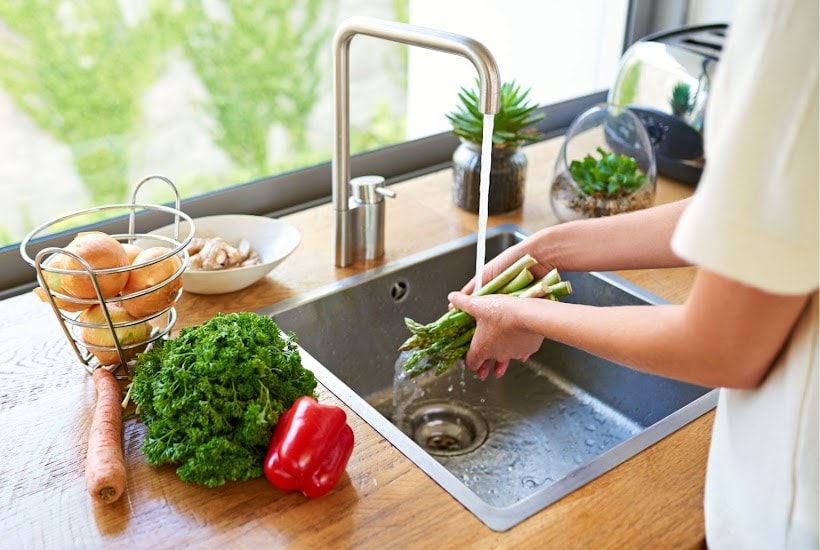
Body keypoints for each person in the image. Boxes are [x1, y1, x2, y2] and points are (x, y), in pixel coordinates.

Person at [447, 0, 818, 547]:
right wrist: (552, 247)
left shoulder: (794, 23)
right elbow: (759, 213)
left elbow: (721, 347)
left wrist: (525, 311)